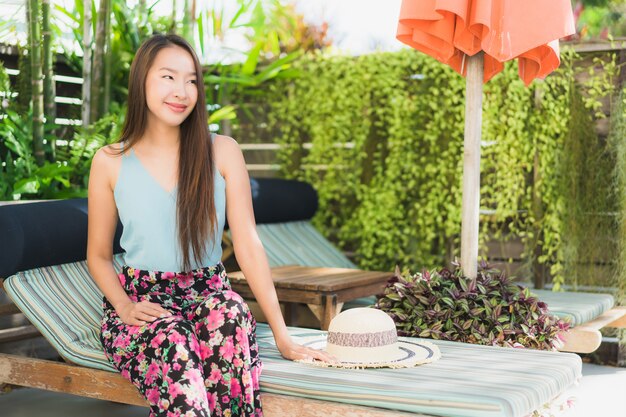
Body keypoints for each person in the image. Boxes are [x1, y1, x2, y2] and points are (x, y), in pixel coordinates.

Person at [87, 34, 333, 417]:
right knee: (174, 341)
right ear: (142, 81)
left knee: (230, 315)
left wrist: (282, 336)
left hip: (210, 293)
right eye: (168, 77)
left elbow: (248, 244)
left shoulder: (222, 151)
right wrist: (123, 305)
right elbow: (99, 256)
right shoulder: (110, 160)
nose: (182, 91)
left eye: (192, 81)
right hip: (146, 302)